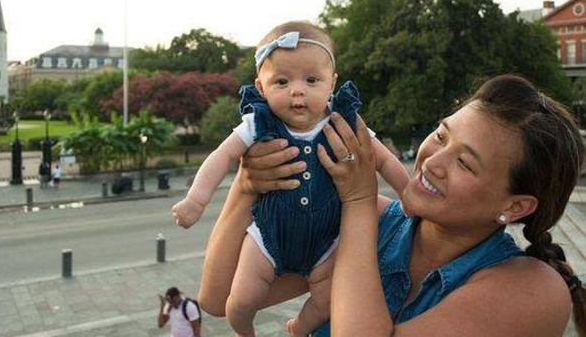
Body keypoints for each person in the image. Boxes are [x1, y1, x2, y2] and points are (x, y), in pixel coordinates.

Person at [197, 74, 586, 337]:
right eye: (440, 135)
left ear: (516, 206)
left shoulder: (534, 290)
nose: (431, 160)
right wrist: (248, 188)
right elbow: (217, 298)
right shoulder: (377, 222)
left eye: (464, 162)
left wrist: (358, 201)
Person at [172, 21, 409, 337]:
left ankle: (300, 327)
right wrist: (196, 199)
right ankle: (245, 330)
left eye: (312, 80)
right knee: (239, 302)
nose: (298, 90)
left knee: (325, 299)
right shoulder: (259, 123)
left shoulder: (344, 122)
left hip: (326, 241)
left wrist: (408, 194)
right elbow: (222, 156)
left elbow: (383, 159)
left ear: (332, 83)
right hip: (268, 237)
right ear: (260, 88)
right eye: (282, 82)